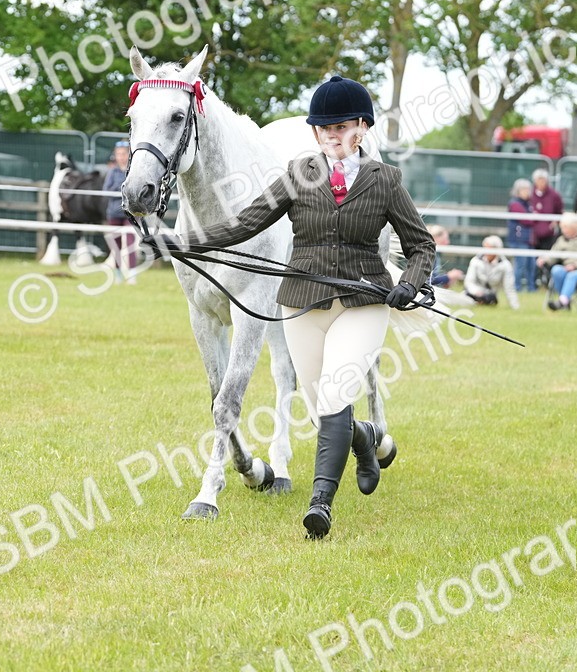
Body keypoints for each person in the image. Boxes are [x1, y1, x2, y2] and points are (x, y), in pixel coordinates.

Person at [146, 75, 435, 539]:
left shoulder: (385, 180)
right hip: (304, 304)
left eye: (342, 127)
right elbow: (245, 224)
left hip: (363, 301)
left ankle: (320, 505)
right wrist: (183, 241)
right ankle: (362, 437)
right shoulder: (300, 173)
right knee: (325, 409)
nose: (332, 137)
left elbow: (421, 245)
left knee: (338, 394)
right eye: (324, 129)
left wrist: (413, 284)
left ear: (363, 127)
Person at [538, 212, 577, 310]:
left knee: (572, 276)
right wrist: (544, 259)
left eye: (566, 228)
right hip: (566, 269)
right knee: (556, 270)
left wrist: (575, 265)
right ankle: (563, 301)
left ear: (575, 227)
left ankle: (562, 302)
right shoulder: (561, 240)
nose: (563, 231)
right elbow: (553, 255)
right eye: (562, 227)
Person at [103, 141, 137, 284]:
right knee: (116, 245)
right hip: (114, 213)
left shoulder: (134, 169)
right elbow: (106, 191)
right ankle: (117, 273)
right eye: (118, 154)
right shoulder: (112, 171)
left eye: (124, 154)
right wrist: (121, 189)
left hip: (131, 213)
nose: (121, 157)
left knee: (130, 244)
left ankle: (132, 274)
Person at [464, 235, 519, 309]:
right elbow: (469, 282)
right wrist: (477, 292)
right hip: (473, 294)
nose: (486, 251)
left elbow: (509, 288)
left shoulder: (505, 265)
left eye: (489, 248)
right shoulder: (475, 261)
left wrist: (515, 307)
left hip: (491, 298)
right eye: (484, 247)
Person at [507, 179, 534, 291]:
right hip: (518, 240)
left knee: (531, 265)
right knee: (520, 265)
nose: (527, 192)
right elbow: (527, 220)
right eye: (524, 189)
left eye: (528, 189)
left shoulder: (528, 204)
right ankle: (516, 288)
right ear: (518, 191)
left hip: (528, 240)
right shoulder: (514, 204)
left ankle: (531, 288)